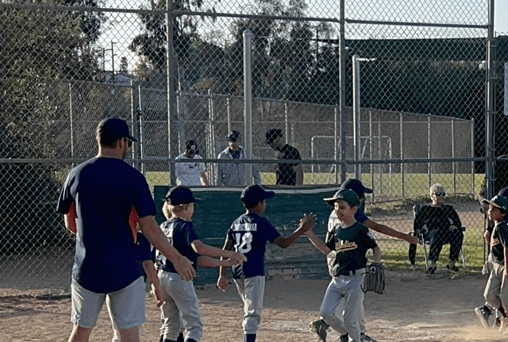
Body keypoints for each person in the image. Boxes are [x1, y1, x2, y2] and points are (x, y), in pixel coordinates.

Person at [57, 117, 196, 342]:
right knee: (128, 335)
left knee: (81, 331)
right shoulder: (133, 178)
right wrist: (177, 258)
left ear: (98, 140)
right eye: (128, 143)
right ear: (121, 143)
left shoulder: (77, 174)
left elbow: (70, 223)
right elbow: (149, 227)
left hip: (87, 267)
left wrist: (95, 234)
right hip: (124, 267)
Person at [312, 178, 417, 342]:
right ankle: (348, 332)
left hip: (335, 258)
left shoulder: (336, 210)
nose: (363, 200)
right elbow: (378, 227)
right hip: (344, 258)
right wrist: (404, 237)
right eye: (361, 196)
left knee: (351, 298)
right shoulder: (349, 210)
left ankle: (343, 329)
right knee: (351, 297)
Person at [217, 185, 316, 342]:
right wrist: (301, 229)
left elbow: (225, 250)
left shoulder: (236, 223)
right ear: (258, 205)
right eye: (263, 201)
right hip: (254, 271)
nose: (265, 204)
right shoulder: (261, 223)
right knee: (252, 313)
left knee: (248, 308)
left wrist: (222, 274)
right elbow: (283, 243)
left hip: (237, 272)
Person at [156, 186, 247, 342]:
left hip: (162, 277)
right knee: (193, 326)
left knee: (171, 325)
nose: (193, 209)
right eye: (192, 205)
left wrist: (225, 262)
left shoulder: (164, 226)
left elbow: (198, 259)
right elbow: (199, 248)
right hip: (180, 277)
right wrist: (230, 253)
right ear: (184, 207)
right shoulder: (184, 225)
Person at [304, 189, 382, 342]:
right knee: (326, 312)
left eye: (342, 207)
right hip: (338, 277)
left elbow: (375, 248)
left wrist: (376, 263)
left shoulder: (360, 229)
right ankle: (345, 334)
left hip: (357, 278)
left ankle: (354, 338)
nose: (337, 210)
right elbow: (327, 250)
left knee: (351, 318)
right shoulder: (336, 230)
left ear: (353, 209)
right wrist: (310, 234)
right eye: (335, 207)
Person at [474, 195, 508, 333]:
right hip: (497, 265)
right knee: (489, 295)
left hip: (507, 266)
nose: (490, 211)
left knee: (506, 298)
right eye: (489, 208)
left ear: (503, 212)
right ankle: (505, 316)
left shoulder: (502, 227)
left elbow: (507, 247)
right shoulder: (495, 226)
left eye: (494, 209)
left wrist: (507, 268)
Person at [411, 184, 464, 274]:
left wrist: (452, 225)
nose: (441, 196)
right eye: (439, 194)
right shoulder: (425, 209)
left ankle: (452, 263)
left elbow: (457, 224)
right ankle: (432, 264)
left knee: (458, 234)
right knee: (437, 233)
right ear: (432, 195)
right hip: (430, 234)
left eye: (443, 194)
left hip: (447, 233)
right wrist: (446, 222)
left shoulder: (449, 209)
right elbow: (417, 225)